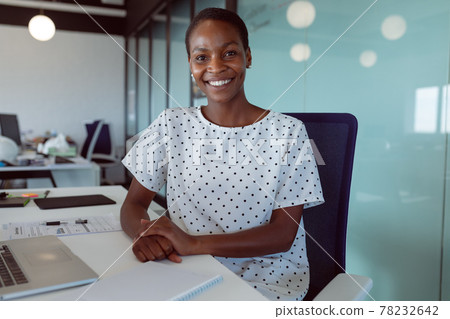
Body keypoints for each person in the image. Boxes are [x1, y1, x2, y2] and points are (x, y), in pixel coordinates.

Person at [120, 7, 324, 301]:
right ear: (191, 65)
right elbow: (133, 204)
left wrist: (193, 243)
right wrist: (144, 234)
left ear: (248, 57)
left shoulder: (289, 133)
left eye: (229, 53)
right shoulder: (170, 123)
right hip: (183, 269)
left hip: (264, 282)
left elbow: (283, 235)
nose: (215, 67)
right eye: (202, 57)